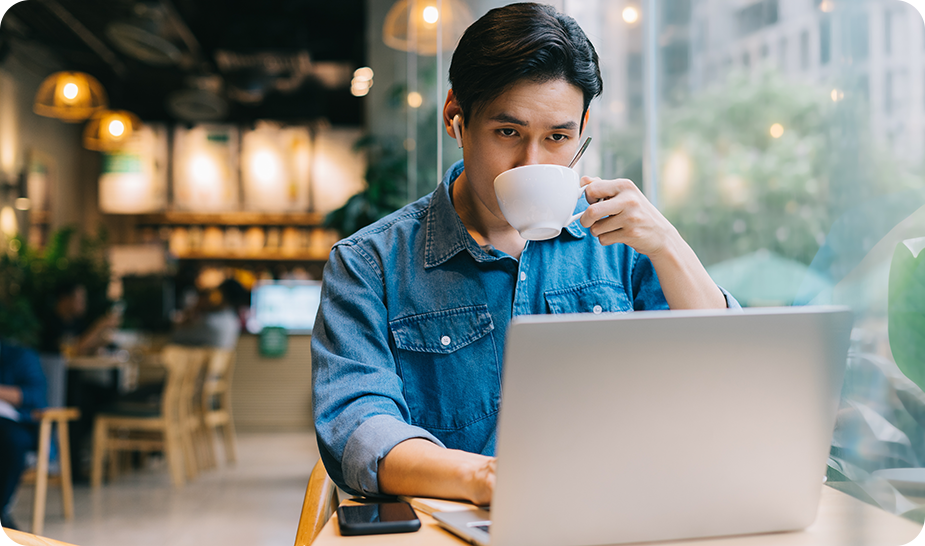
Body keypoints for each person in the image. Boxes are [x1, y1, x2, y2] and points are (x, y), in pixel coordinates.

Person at [312, 2, 739, 506]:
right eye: (508, 133)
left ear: (582, 130)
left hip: (615, 518)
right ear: (456, 118)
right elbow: (359, 429)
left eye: (558, 137)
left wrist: (668, 245)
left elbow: (727, 381)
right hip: (458, 529)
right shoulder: (370, 264)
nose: (531, 161)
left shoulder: (623, 243)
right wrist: (485, 480)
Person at [0, 340, 47, 530]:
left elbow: (36, 396)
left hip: (13, 421)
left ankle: (1, 509)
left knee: (12, 441)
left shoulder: (21, 357)